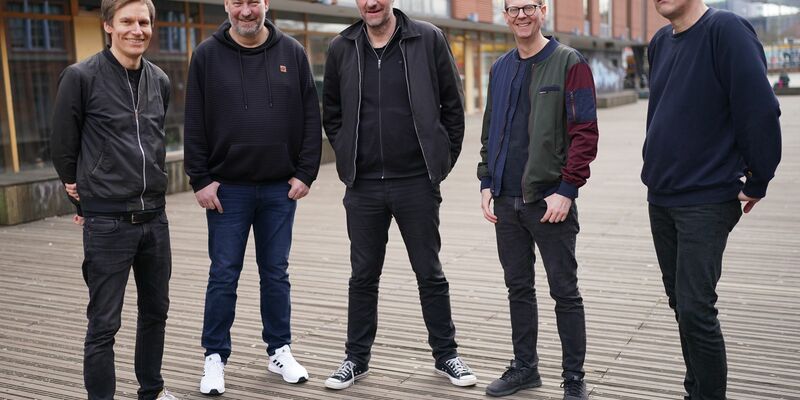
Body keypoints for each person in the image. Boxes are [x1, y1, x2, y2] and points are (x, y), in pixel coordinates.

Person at [322, 0, 476, 390]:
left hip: (416, 182)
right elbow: (332, 113)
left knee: (429, 273)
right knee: (363, 276)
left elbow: (453, 109)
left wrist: (438, 164)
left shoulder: (428, 38)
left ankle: (446, 355)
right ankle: (356, 359)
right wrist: (346, 155)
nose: (371, 3)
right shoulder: (342, 46)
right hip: (363, 186)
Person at [643, 1, 782, 399]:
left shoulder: (727, 31)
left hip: (705, 198)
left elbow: (759, 109)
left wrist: (759, 178)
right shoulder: (660, 42)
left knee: (696, 308)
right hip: (661, 194)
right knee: (681, 304)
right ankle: (696, 390)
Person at [183, 0, 321, 395]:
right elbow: (193, 119)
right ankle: (214, 357)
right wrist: (200, 179)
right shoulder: (206, 56)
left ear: (266, 5)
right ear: (227, 5)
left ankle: (279, 349)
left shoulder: (292, 52)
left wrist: (306, 171)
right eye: (238, 2)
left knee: (275, 273)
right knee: (223, 274)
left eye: (254, 2)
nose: (247, 11)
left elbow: (311, 116)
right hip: (228, 191)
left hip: (280, 188)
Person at [50, 1, 175, 399]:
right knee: (104, 324)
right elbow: (63, 145)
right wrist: (78, 192)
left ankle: (151, 391)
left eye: (143, 22)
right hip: (107, 224)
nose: (136, 29)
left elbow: (154, 142)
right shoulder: (80, 77)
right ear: (108, 26)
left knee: (156, 313)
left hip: (155, 218)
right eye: (126, 21)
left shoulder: (161, 80)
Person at [477, 1, 599, 398]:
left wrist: (567, 189)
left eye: (529, 6)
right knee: (518, 288)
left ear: (542, 10)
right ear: (505, 15)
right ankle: (525, 368)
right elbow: (490, 128)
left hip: (549, 201)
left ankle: (574, 379)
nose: (522, 15)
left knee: (564, 291)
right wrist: (486, 181)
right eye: (513, 8)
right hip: (506, 199)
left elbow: (585, 132)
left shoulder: (569, 62)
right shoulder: (500, 68)